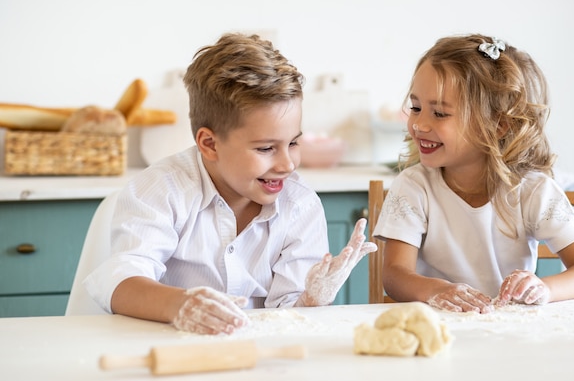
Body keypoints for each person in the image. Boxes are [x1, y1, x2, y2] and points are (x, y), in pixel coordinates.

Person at [85, 33, 376, 334]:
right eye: (266, 148)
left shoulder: (300, 206)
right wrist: (182, 304)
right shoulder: (161, 190)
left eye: (294, 142)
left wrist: (312, 298)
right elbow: (122, 282)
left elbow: (289, 318)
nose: (287, 164)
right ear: (209, 143)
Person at [373, 34, 574, 313]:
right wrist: (437, 290)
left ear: (498, 126)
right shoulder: (414, 187)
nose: (419, 124)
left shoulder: (533, 191)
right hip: (437, 329)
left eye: (439, 113)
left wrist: (545, 288)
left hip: (510, 334)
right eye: (416, 108)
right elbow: (395, 276)